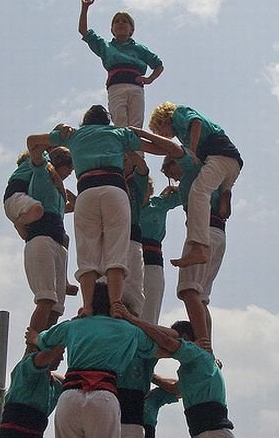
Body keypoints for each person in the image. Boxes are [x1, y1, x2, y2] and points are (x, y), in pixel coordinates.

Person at [27, 106, 182, 316]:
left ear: (85, 121)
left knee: (87, 250)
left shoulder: (74, 135)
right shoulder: (118, 134)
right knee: (117, 248)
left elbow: (32, 141)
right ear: (106, 122)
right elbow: (171, 150)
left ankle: (88, 305)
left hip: (86, 192)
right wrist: (138, 132)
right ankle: (116, 302)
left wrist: (59, 132)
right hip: (114, 191)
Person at [26, 282, 160, 438]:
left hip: (69, 396)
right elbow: (160, 346)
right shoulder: (128, 330)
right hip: (103, 396)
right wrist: (132, 319)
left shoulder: (74, 325)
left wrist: (33, 336)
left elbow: (41, 340)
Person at [111, 306, 240, 438]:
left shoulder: (197, 355)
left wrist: (131, 319)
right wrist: (151, 376)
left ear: (185, 338)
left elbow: (167, 342)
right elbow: (175, 388)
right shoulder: (201, 366)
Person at [148, 102, 243, 268]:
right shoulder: (180, 133)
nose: (164, 136)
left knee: (198, 193)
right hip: (231, 163)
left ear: (163, 120)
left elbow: (196, 122)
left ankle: (198, 248)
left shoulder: (178, 113)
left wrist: (191, 150)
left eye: (161, 131)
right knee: (206, 189)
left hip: (219, 155)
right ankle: (225, 192)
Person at [161, 152, 228, 352]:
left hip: (202, 235)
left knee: (189, 290)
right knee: (201, 296)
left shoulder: (190, 174)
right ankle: (209, 345)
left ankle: (204, 345)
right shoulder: (209, 178)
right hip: (218, 234)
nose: (171, 176)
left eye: (168, 169)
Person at [78, 0, 164, 129]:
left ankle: (136, 151)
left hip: (136, 86)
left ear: (132, 29)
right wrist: (85, 7)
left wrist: (149, 79)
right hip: (116, 86)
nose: (120, 23)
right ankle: (122, 151)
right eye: (117, 21)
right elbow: (83, 31)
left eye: (125, 21)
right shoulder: (105, 46)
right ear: (112, 29)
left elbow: (158, 65)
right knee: (120, 123)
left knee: (136, 125)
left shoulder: (139, 48)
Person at [23, 144, 75, 334]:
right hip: (42, 237)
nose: (70, 172)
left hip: (57, 241)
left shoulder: (59, 190)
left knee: (56, 308)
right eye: (68, 167)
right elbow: (35, 152)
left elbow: (67, 208)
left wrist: (74, 199)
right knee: (46, 298)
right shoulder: (43, 175)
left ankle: (44, 349)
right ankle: (32, 347)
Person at [0, 345, 65, 438]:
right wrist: (50, 347)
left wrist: (50, 372)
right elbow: (40, 359)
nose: (61, 358)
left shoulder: (49, 385)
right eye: (60, 353)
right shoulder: (26, 368)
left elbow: (67, 383)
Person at [139, 179, 181, 324]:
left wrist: (175, 188)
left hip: (153, 258)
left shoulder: (158, 203)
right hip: (130, 255)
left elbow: (188, 193)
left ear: (150, 190)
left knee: (150, 306)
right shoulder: (126, 205)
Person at [121, 151, 149, 317]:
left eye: (126, 159)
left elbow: (143, 168)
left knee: (133, 287)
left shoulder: (136, 182)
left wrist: (129, 149)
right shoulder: (111, 177)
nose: (123, 162)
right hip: (111, 235)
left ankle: (133, 321)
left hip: (132, 235)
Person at [2, 150, 45, 240]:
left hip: (12, 202)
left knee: (30, 237)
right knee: (37, 209)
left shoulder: (24, 166)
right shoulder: (39, 156)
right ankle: (20, 223)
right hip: (15, 196)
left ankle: (25, 234)